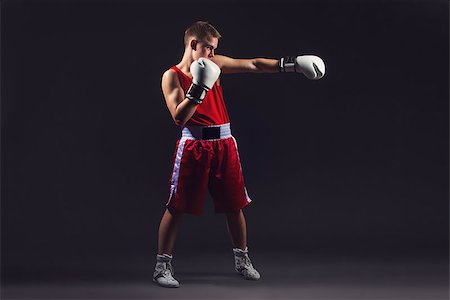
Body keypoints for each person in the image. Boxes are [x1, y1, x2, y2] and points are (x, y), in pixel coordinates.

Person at [154, 21, 325, 288]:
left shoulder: (216, 64)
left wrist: (292, 64)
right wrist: (199, 88)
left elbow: (253, 64)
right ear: (193, 45)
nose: (211, 56)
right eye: (208, 49)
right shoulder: (171, 75)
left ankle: (242, 260)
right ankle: (162, 266)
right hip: (193, 145)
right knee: (177, 206)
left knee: (235, 205)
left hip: (224, 143)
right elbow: (179, 117)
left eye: (214, 50)